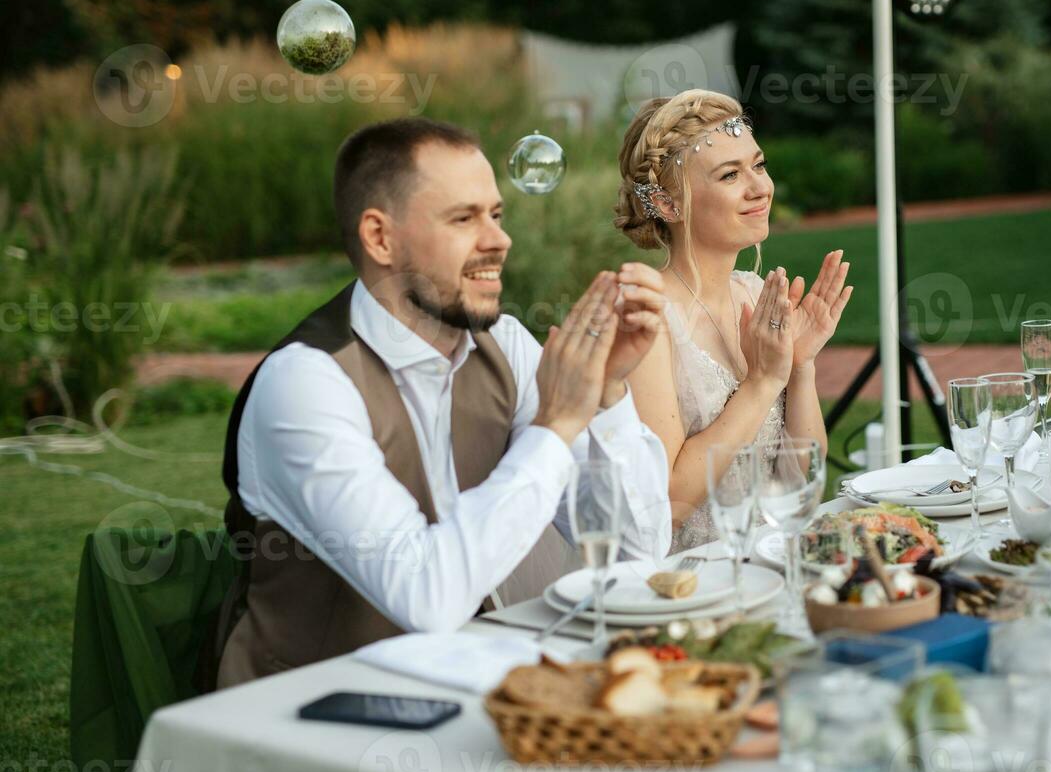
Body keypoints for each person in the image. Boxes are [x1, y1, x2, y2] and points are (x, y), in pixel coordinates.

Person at [215, 117, 671, 688]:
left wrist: (607, 394)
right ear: (379, 238)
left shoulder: (502, 344)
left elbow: (636, 549)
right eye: (463, 218)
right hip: (314, 719)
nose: (499, 239)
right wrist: (555, 428)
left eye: (497, 215)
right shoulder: (306, 383)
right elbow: (427, 598)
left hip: (467, 691)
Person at [614, 90, 852, 552]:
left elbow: (802, 483)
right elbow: (668, 507)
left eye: (758, 166)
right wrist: (762, 382)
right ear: (667, 204)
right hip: (690, 585)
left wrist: (799, 368)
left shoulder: (755, 294)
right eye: (730, 175)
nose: (760, 187)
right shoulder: (647, 318)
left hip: (769, 560)